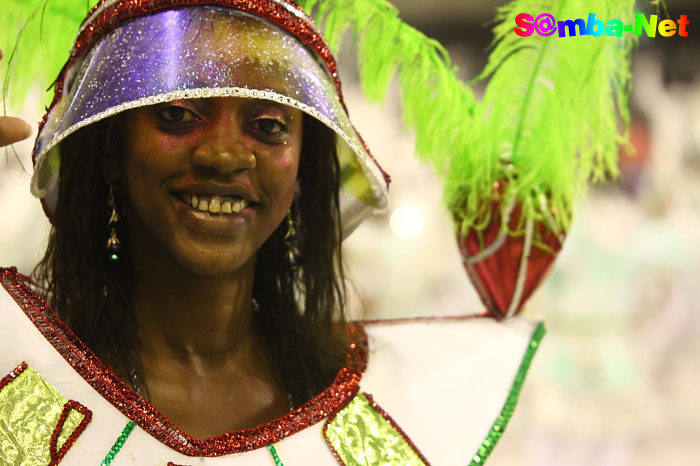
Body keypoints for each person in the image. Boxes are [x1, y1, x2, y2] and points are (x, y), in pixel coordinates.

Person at [0, 1, 542, 464]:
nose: (225, 155)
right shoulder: (17, 361)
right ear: (111, 149)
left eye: (268, 127)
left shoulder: (389, 399)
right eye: (178, 114)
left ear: (304, 166)